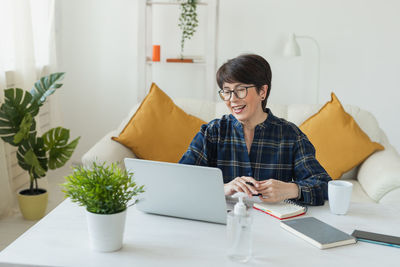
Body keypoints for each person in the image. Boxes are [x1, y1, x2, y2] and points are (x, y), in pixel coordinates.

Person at [179, 54, 331, 206]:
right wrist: (223, 188)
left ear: (262, 92)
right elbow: (180, 179)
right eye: (226, 91)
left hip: (274, 225)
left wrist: (293, 189)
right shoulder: (213, 133)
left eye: (240, 90)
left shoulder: (290, 135)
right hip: (222, 223)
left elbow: (324, 185)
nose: (232, 99)